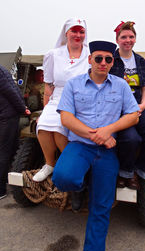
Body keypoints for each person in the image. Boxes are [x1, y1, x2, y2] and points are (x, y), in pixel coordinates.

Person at [52, 41, 139, 251]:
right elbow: (66, 118)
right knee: (63, 177)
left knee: (101, 206)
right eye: (98, 58)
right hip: (80, 145)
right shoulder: (74, 84)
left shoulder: (120, 86)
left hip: (107, 151)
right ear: (90, 59)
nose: (103, 63)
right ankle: (79, 186)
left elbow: (133, 115)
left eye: (108, 59)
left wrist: (108, 131)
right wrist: (95, 135)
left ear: (112, 62)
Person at [110, 21, 145, 188]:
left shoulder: (140, 60)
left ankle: (142, 170)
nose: (127, 40)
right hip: (118, 107)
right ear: (117, 39)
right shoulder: (110, 59)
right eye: (123, 37)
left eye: (131, 36)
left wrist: (142, 105)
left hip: (137, 104)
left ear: (135, 39)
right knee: (131, 139)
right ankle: (125, 172)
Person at [33, 18, 89, 182]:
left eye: (81, 31)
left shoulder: (90, 54)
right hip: (57, 97)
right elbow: (48, 86)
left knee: (59, 129)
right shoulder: (53, 54)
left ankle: (70, 166)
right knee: (42, 126)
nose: (78, 35)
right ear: (66, 33)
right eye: (74, 31)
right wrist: (45, 109)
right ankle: (50, 164)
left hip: (81, 97)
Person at [0, 64, 30, 199]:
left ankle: (4, 183)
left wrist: (21, 108)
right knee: (7, 150)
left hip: (6, 115)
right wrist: (23, 108)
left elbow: (12, 91)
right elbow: (12, 91)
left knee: (7, 149)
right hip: (6, 115)